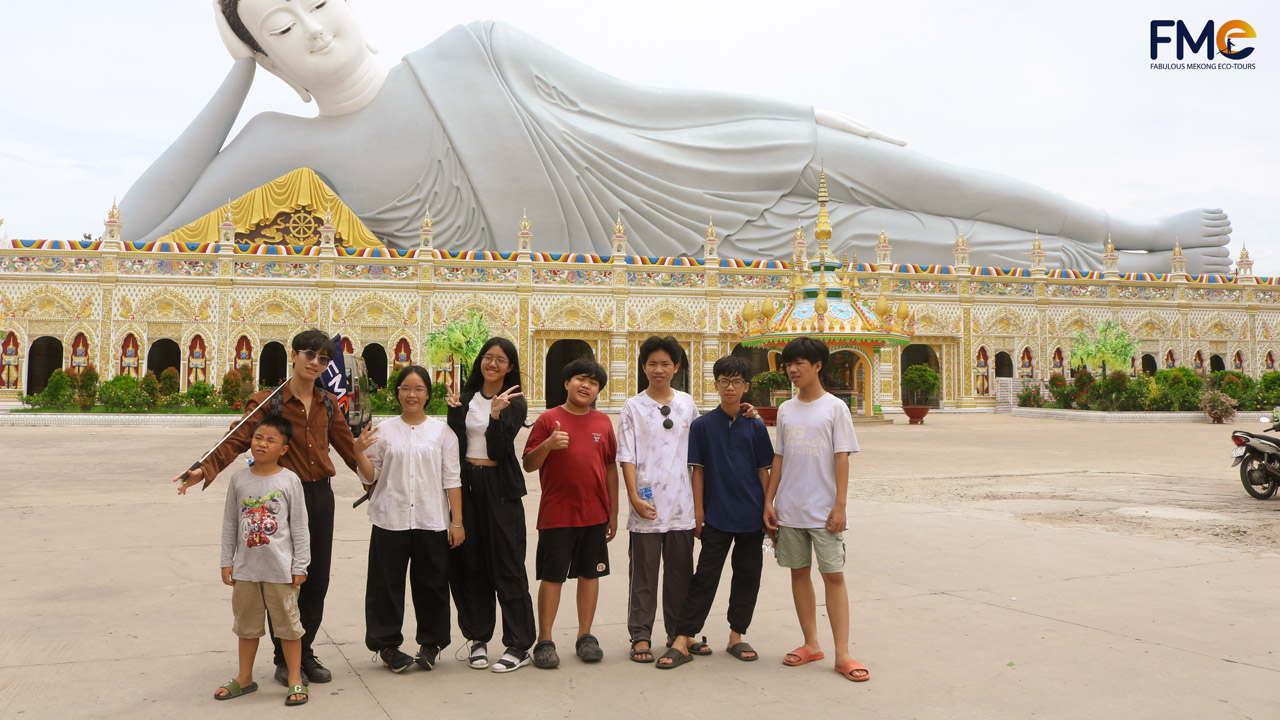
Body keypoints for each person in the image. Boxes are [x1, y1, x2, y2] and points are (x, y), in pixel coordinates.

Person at [117, 1, 1232, 273]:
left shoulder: (475, 41)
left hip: (691, 159)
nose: (313, 27)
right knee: (932, 250)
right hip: (649, 258)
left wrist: (792, 120)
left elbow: (639, 104)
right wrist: (230, 77)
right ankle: (1145, 267)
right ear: (264, 53)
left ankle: (1133, 225)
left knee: (926, 176)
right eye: (277, 30)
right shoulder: (283, 140)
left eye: (308, 0)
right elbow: (144, 224)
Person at [175, 328, 373, 688]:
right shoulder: (270, 401)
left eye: (324, 359)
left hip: (319, 498)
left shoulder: (328, 403)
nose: (316, 363)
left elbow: (350, 450)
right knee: (282, 580)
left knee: (315, 579)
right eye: (309, 355)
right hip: (280, 500)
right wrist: (205, 468)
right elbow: (237, 437)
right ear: (294, 355)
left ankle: (303, 651)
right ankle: (284, 658)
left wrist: (376, 483)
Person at [763, 337, 869, 683]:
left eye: (799, 364)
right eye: (788, 365)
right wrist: (769, 500)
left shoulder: (835, 408)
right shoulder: (786, 410)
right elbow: (779, 457)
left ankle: (843, 653)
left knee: (834, 576)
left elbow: (842, 459)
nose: (792, 370)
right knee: (798, 572)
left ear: (818, 366)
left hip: (824, 511)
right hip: (790, 508)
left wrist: (840, 505)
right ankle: (811, 643)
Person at [658, 355, 774, 669]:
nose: (730, 388)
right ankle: (683, 637)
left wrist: (767, 507)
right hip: (717, 515)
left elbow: (765, 470)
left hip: (751, 515)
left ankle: (737, 635)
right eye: (724, 381)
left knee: (748, 576)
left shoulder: (755, 425)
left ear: (746, 387)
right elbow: (699, 471)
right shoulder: (702, 426)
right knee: (705, 577)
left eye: (737, 382)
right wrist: (699, 512)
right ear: (716, 385)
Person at [355, 365, 463, 673]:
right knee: (385, 585)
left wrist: (457, 522)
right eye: (405, 388)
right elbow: (372, 476)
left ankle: (431, 644)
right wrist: (357, 451)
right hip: (391, 517)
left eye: (418, 389)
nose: (411, 395)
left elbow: (451, 479)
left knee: (432, 584)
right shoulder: (384, 431)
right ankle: (386, 645)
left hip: (432, 518)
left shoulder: (442, 433)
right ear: (397, 393)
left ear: (428, 394)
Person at [444, 337, 537, 673]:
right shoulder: (466, 398)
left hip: (499, 488)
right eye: (488, 357)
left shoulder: (515, 401)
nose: (493, 364)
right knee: (471, 564)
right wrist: (454, 413)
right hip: (467, 486)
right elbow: (454, 446)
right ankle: (478, 637)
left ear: (510, 367)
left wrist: (497, 415)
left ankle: (518, 643)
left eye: (501, 359)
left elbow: (499, 450)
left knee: (508, 565)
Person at [522, 358, 618, 669]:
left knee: (591, 575)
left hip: (594, 514)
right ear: (566, 383)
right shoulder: (548, 419)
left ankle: (585, 636)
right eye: (580, 379)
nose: (586, 386)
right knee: (553, 577)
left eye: (594, 383)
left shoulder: (603, 423)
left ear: (598, 390)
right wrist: (548, 444)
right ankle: (545, 640)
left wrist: (612, 513)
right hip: (557, 514)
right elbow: (529, 463)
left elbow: (609, 468)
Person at [214, 415, 311, 706]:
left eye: (271, 440)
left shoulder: (289, 480)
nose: (263, 444)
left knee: (289, 627)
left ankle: (295, 678)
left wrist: (300, 565)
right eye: (258, 438)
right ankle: (245, 677)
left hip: (281, 570)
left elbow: (300, 527)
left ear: (283, 448)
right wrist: (225, 560)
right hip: (245, 569)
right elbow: (230, 522)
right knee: (246, 626)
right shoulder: (239, 479)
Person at [616, 336, 698, 663]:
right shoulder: (633, 407)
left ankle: (678, 633)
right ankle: (640, 634)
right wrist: (633, 497)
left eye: (665, 363)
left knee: (680, 573)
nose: (658, 370)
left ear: (676, 367)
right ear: (643, 366)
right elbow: (626, 456)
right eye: (652, 363)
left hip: (681, 505)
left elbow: (700, 452)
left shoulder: (687, 404)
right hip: (646, 506)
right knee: (644, 575)